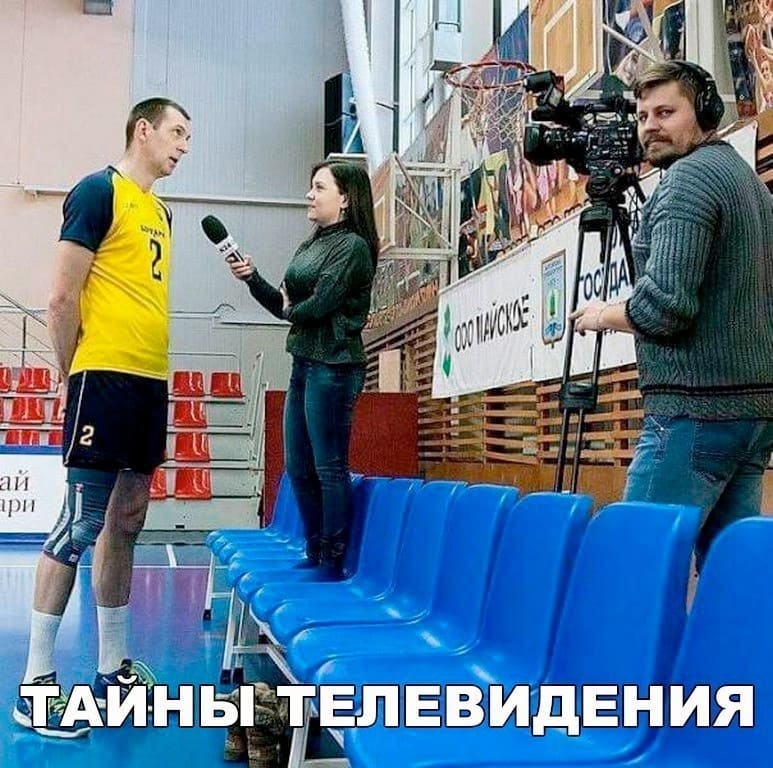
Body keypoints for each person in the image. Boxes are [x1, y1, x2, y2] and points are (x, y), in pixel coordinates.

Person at [14, 98, 191, 738]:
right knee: (80, 523)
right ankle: (36, 685)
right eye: (176, 132)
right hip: (103, 378)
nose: (184, 145)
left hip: (148, 381)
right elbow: (61, 297)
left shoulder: (161, 212)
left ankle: (112, 670)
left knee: (128, 520)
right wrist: (71, 375)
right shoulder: (98, 191)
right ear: (143, 131)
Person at [568, 61, 773, 570]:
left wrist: (600, 314)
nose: (649, 127)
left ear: (703, 112)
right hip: (751, 415)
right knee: (732, 576)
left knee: (631, 568)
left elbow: (664, 308)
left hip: (694, 413)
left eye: (665, 112)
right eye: (642, 117)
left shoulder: (687, 181)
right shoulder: (747, 182)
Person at [229, 160, 378, 576]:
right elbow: (285, 305)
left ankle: (332, 557)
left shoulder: (352, 247)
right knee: (297, 465)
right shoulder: (310, 245)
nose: (310, 195)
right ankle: (315, 548)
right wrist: (252, 278)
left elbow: (319, 305)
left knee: (328, 466)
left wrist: (292, 308)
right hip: (304, 362)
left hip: (335, 365)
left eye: (319, 187)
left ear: (345, 199)